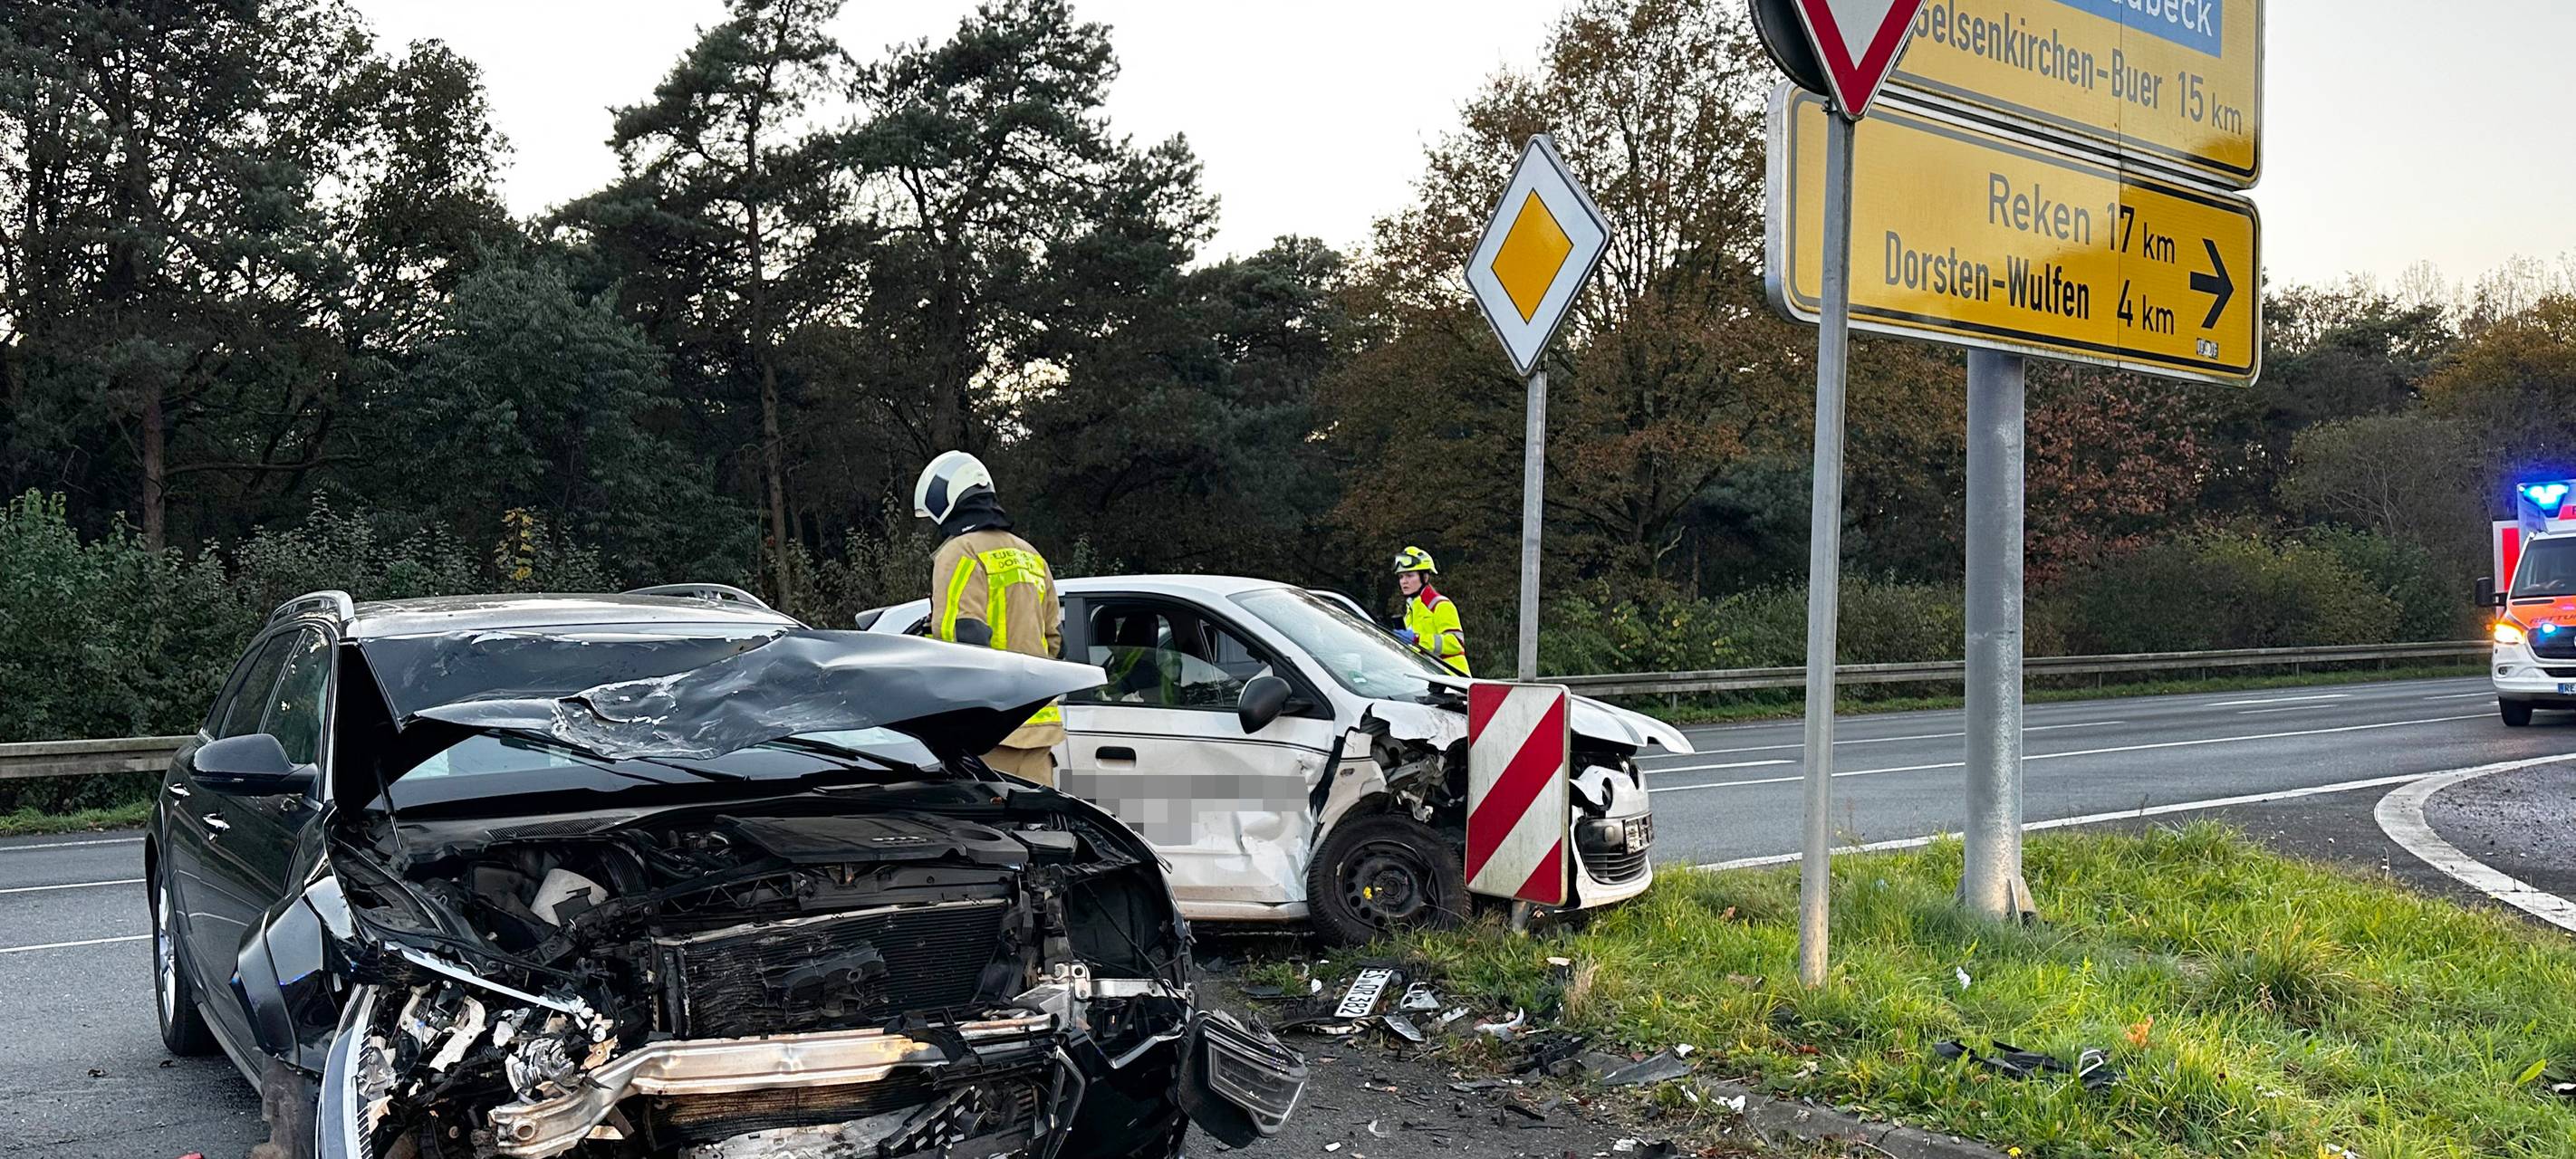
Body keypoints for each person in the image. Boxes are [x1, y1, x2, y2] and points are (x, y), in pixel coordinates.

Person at [915, 450, 1065, 786]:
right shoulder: (1031, 555)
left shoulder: (960, 551)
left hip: (988, 733)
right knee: (1041, 835)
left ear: (947, 500)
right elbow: (1056, 642)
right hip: (1039, 733)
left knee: (989, 837)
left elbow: (959, 639)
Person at [1391, 546, 1471, 676]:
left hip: (1454, 682)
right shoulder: (1410, 611)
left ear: (1425, 577)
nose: (1404, 581)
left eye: (1410, 575)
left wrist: (1417, 639)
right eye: (1401, 577)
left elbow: (1456, 643)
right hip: (1430, 680)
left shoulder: (1441, 605)